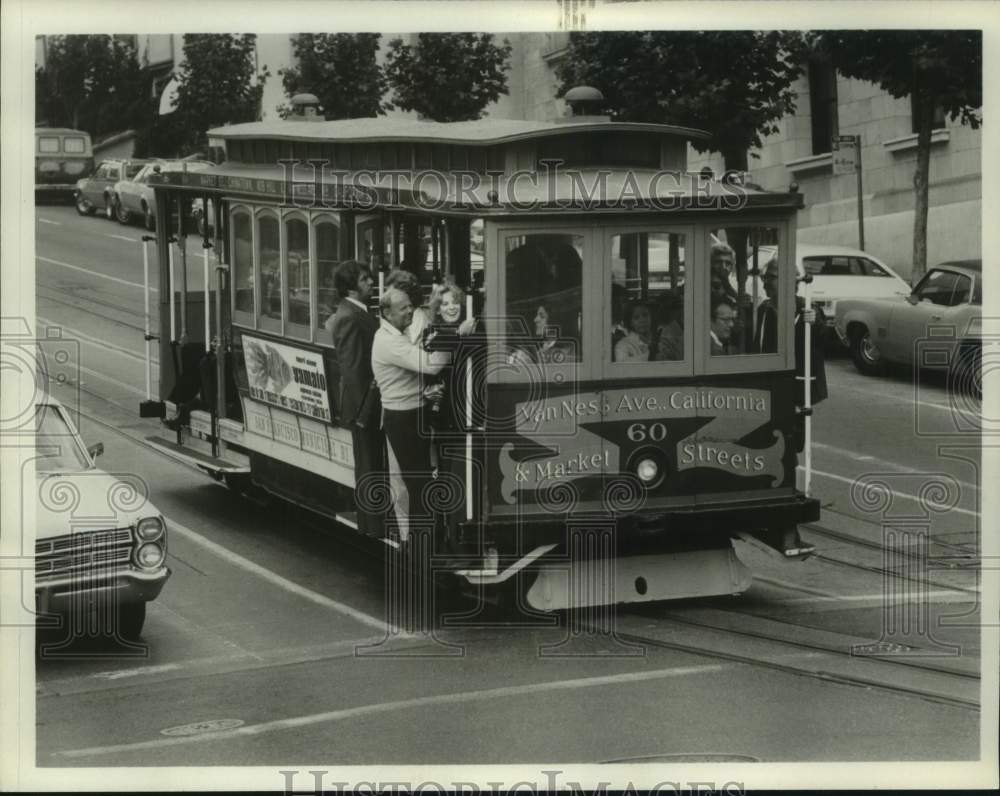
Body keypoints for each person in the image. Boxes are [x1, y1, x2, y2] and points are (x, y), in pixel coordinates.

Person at [372, 286, 449, 545]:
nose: (410, 311)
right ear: (387, 313)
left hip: (411, 414)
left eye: (410, 306)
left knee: (421, 481)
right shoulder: (388, 342)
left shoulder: (397, 334)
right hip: (403, 420)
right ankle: (420, 547)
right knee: (418, 484)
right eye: (404, 307)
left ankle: (422, 543)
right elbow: (431, 363)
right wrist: (454, 337)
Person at [329, 260, 384, 536]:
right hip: (365, 407)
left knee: (371, 462)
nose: (371, 283)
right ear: (351, 287)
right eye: (365, 280)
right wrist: (368, 409)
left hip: (367, 405)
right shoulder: (349, 316)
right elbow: (352, 370)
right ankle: (372, 525)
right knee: (368, 463)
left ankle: (375, 522)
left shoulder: (357, 312)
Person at [754, 259, 828, 405]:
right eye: (765, 277)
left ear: (790, 282)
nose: (766, 283)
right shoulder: (764, 309)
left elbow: (823, 342)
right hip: (769, 384)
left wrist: (816, 323)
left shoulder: (807, 309)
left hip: (797, 388)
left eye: (772, 278)